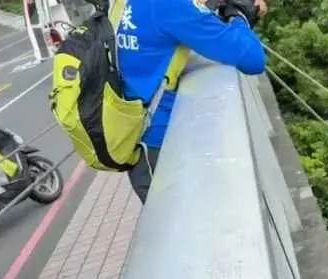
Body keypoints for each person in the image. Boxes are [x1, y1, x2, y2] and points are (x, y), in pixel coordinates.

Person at [115, 0, 269, 202]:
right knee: (176, 217)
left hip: (137, 130)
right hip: (159, 146)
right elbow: (253, 58)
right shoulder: (172, 6)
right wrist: (240, 15)